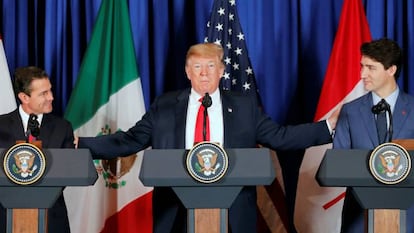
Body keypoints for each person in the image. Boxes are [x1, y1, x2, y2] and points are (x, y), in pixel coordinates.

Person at [76, 42, 338, 233]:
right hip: (176, 210)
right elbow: (131, 141)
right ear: (187, 72)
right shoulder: (165, 106)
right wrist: (82, 145)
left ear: (221, 70)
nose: (204, 73)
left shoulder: (245, 106)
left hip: (234, 212)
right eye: (197, 67)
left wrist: (328, 126)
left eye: (210, 66)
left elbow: (280, 137)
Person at [333, 38, 414, 233]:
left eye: (371, 68)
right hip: (359, 217)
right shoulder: (350, 111)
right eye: (362, 67)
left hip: (408, 216)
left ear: (391, 70)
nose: (362, 74)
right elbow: (338, 162)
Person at [0, 66, 74, 233]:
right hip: (6, 219)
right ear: (24, 97)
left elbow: (68, 172)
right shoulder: (1, 126)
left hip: (52, 220)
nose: (51, 97)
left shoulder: (63, 128)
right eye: (43, 94)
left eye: (50, 91)